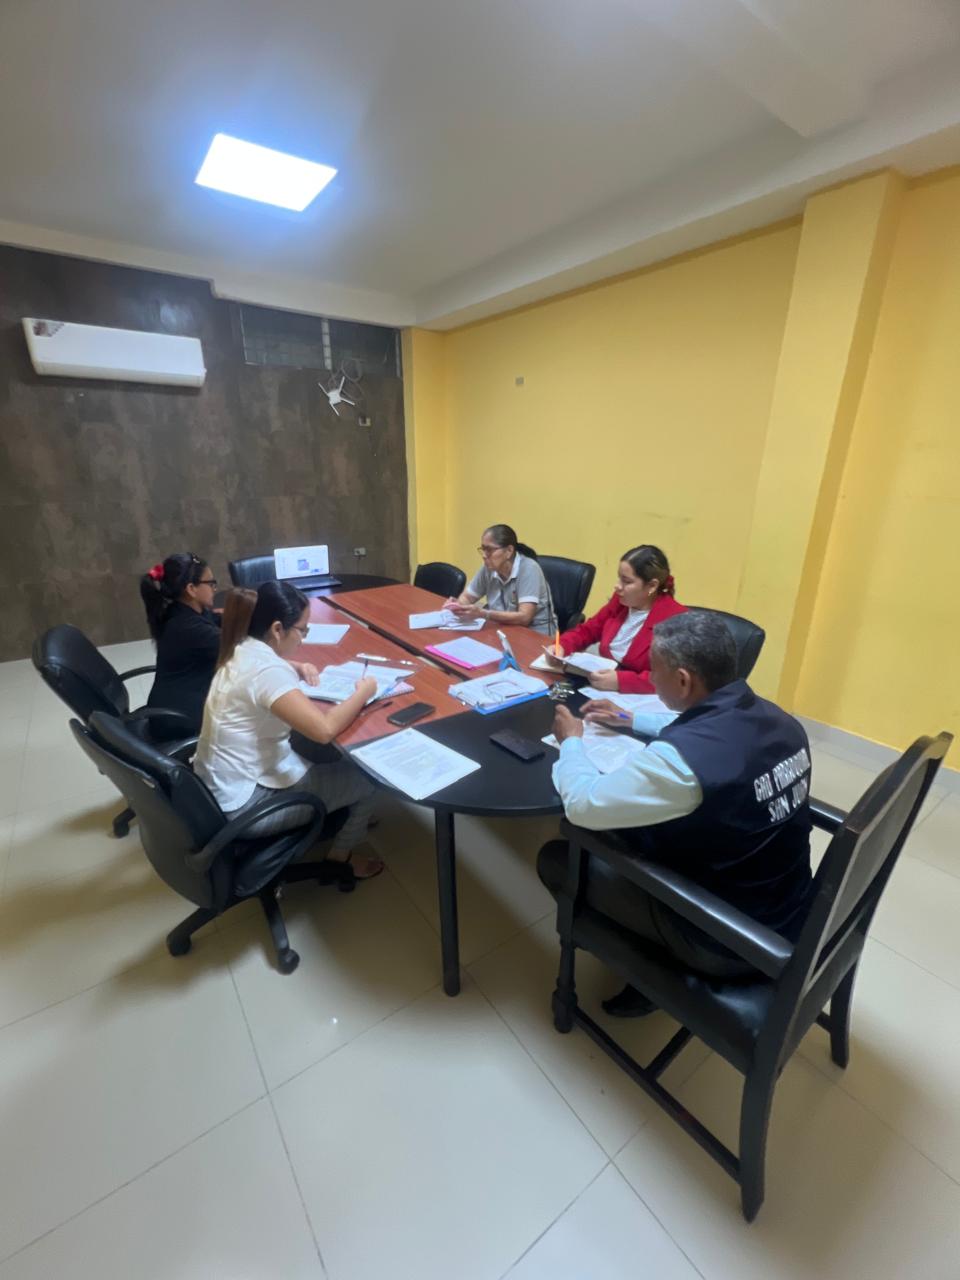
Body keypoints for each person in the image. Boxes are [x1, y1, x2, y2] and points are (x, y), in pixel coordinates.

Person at [539, 611, 813, 1015]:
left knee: (558, 858)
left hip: (727, 938)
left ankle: (656, 975)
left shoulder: (682, 764)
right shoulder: (780, 721)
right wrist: (632, 719)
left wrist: (572, 742)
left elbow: (582, 804)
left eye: (654, 670)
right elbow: (707, 725)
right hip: (786, 908)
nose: (649, 678)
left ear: (683, 680)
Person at [194, 581, 383, 879]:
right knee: (369, 776)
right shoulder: (267, 671)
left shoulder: (241, 648)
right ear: (277, 629)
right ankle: (340, 858)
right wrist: (364, 691)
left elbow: (263, 676)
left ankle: (347, 809)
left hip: (217, 788)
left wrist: (294, 666)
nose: (304, 640)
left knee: (325, 757)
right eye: (302, 630)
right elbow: (324, 730)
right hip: (250, 807)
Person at [552, 544, 685, 693]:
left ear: (652, 586)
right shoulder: (621, 601)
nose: (617, 586)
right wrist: (562, 645)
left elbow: (671, 679)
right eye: (619, 578)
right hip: (601, 687)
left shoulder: (675, 619)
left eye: (626, 581)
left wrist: (621, 681)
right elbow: (588, 630)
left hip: (640, 697)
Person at [140, 552, 222, 736]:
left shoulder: (179, 610)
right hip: (181, 719)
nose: (214, 589)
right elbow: (241, 651)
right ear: (191, 589)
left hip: (172, 704)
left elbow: (214, 618)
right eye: (210, 583)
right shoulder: (190, 628)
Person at [445, 523, 556, 635]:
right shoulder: (488, 569)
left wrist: (484, 613)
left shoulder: (529, 569)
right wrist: (458, 607)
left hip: (536, 634)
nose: (484, 555)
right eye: (483, 549)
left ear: (509, 551)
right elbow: (467, 597)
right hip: (503, 629)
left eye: (489, 550)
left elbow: (525, 617)